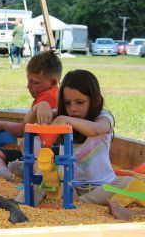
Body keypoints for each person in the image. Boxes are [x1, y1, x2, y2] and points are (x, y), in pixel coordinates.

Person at [15, 69, 133, 206]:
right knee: (42, 178)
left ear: (95, 101)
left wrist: (65, 119)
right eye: (67, 103)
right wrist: (40, 106)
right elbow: (27, 121)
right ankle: (19, 205)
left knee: (127, 182)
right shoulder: (62, 115)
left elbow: (96, 129)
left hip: (101, 187)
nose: (73, 109)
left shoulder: (103, 117)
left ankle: (81, 203)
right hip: (68, 186)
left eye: (80, 102)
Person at [0, 50, 62, 181]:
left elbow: (22, 130)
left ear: (53, 82)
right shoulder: (56, 93)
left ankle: (7, 171)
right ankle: (8, 172)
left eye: (35, 82)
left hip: (44, 155)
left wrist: (3, 124)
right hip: (40, 153)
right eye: (29, 81)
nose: (29, 86)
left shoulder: (47, 98)